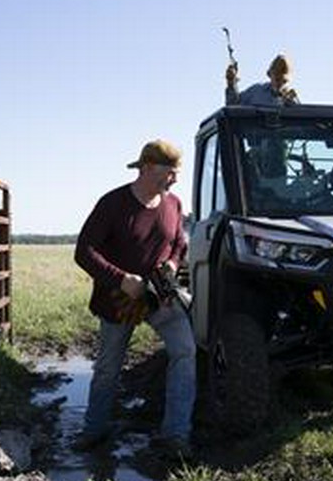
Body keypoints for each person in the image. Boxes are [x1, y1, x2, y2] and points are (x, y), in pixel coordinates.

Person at [73, 139, 196, 457]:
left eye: (176, 173)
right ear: (147, 168)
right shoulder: (112, 204)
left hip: (161, 297)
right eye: (170, 172)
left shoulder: (174, 204)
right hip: (120, 300)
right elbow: (84, 251)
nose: (174, 179)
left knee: (185, 353)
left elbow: (180, 244)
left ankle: (176, 435)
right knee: (109, 367)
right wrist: (121, 279)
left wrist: (171, 263)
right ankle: (94, 430)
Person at [226, 53, 300, 107]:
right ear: (270, 76)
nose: (280, 83)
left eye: (284, 81)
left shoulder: (292, 100)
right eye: (277, 79)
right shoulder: (256, 91)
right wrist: (231, 83)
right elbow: (233, 106)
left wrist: (292, 105)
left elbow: (299, 122)